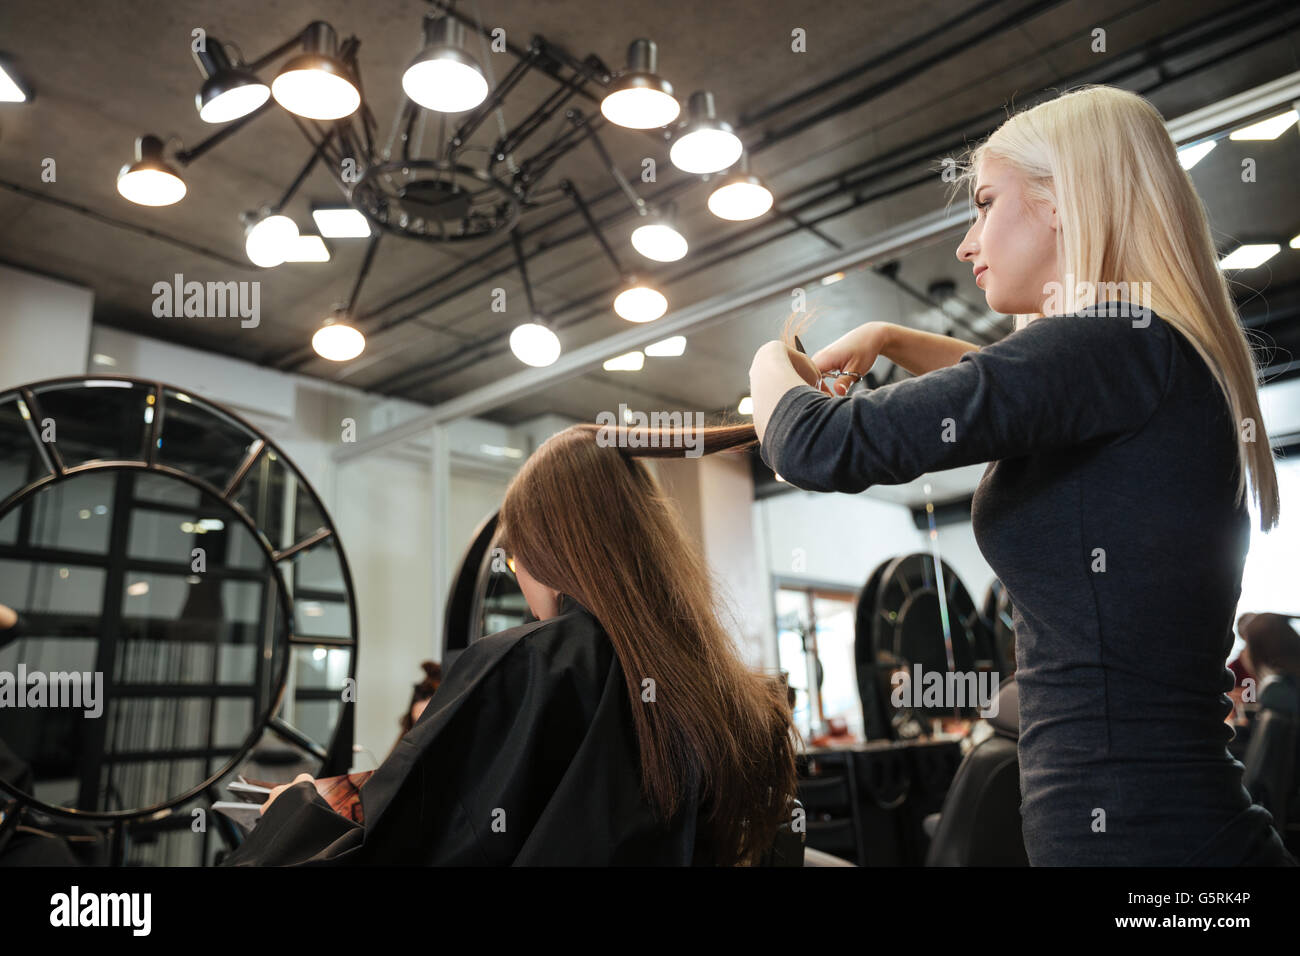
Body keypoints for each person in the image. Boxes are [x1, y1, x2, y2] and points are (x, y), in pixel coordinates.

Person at [749, 84, 1295, 865]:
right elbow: (1026, 390)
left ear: (1062, 201)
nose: (968, 244)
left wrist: (772, 360)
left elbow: (816, 446)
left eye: (984, 203)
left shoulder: (1114, 341)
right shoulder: (1141, 347)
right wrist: (892, 336)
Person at [222, 424, 798, 866]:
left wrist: (291, 815)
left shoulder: (525, 667)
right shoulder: (731, 696)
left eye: (516, 558)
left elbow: (387, 855)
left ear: (549, 553)